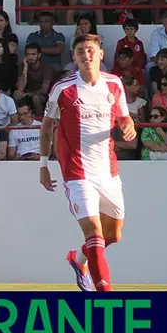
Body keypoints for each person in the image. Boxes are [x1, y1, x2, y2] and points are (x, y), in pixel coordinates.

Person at [40, 34, 136, 293]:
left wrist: (129, 127)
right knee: (94, 236)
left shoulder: (114, 84)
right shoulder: (63, 89)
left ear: (101, 54)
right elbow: (47, 124)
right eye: (80, 51)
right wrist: (43, 164)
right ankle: (105, 301)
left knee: (113, 236)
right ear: (74, 57)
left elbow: (125, 118)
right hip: (77, 172)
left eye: (91, 50)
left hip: (109, 171)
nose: (86, 55)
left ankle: (77, 259)